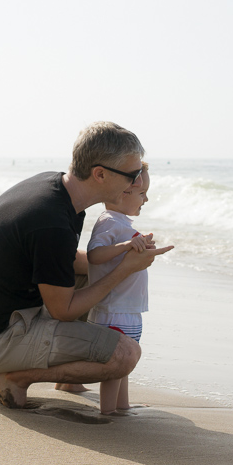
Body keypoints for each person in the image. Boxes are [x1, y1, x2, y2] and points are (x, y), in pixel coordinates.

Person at [0, 122, 173, 409]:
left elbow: (68, 262)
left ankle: (68, 379)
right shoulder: (50, 222)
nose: (137, 183)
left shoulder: (58, 189)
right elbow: (63, 311)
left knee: (93, 273)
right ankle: (17, 377)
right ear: (100, 174)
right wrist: (126, 268)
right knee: (125, 355)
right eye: (133, 175)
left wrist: (123, 256)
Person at [83, 164, 155, 415]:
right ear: (124, 192)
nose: (146, 199)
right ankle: (108, 410)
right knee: (115, 362)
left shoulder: (121, 221)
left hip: (128, 308)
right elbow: (95, 254)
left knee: (125, 363)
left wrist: (139, 244)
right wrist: (126, 245)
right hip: (114, 310)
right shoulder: (109, 221)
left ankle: (121, 405)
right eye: (142, 192)